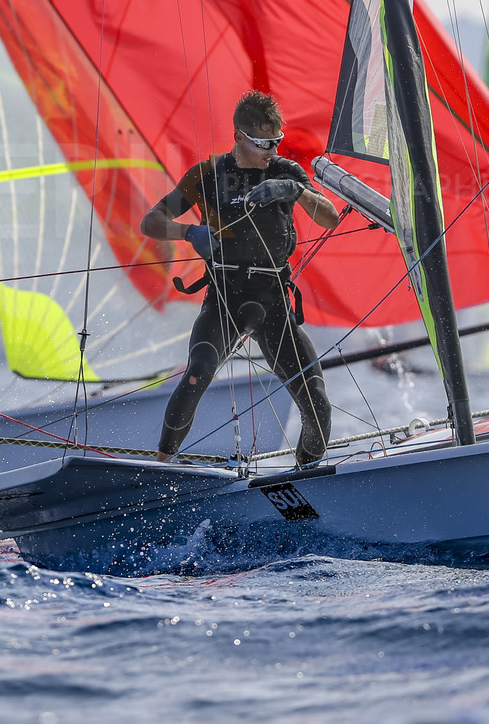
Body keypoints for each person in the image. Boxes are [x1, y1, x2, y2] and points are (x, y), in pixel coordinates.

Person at [140, 91, 340, 468]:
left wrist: (294, 190)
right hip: (224, 299)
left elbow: (331, 218)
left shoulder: (286, 172)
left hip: (272, 301)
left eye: (276, 141)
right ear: (238, 136)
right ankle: (161, 466)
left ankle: (303, 477)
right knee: (198, 373)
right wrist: (188, 234)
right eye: (263, 143)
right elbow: (150, 222)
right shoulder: (208, 174)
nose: (271, 150)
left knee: (317, 401)